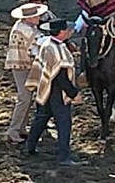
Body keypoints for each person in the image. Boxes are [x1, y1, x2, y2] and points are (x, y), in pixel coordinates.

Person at [25, 18, 83, 167]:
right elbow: (61, 77)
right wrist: (73, 93)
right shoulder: (58, 50)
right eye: (67, 30)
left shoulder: (47, 43)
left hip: (45, 89)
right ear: (62, 32)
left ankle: (29, 147)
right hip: (57, 92)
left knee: (41, 118)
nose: (69, 32)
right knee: (64, 123)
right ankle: (63, 156)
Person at [5, 3, 48, 144]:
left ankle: (21, 128)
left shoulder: (23, 26)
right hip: (22, 65)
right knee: (24, 98)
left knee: (27, 97)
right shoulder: (26, 30)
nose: (39, 18)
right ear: (29, 18)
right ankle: (13, 130)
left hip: (21, 64)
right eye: (36, 16)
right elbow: (39, 43)